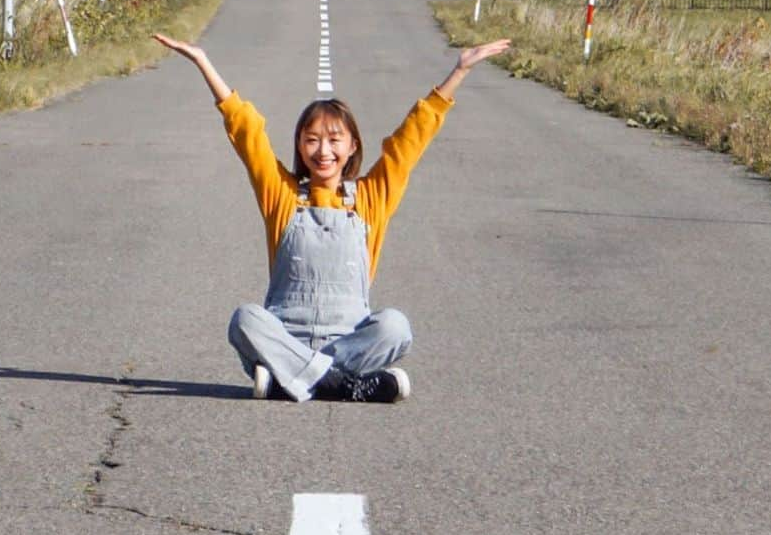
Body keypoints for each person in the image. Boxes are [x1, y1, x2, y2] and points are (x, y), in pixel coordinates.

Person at [154, 32, 512, 404]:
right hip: (284, 337)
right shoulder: (283, 195)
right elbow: (248, 134)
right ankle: (341, 384)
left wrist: (459, 71)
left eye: (334, 139)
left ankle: (294, 380)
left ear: (353, 145)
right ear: (299, 146)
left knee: (395, 327)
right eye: (311, 139)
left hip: (349, 342)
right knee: (244, 320)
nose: (323, 151)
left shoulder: (371, 198)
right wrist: (203, 63)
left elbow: (411, 140)